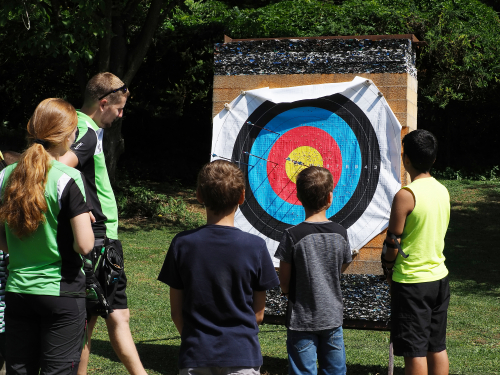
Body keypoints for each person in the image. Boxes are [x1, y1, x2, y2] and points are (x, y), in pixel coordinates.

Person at [59, 72, 148, 375]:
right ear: (104, 102)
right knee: (117, 316)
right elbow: (58, 169)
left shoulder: (72, 125)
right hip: (101, 240)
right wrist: (80, 206)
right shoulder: (85, 130)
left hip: (95, 238)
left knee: (88, 319)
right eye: (119, 108)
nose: (121, 115)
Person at [0, 98, 95, 374]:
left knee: (19, 370)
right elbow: (85, 245)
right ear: (67, 135)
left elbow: (2, 241)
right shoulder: (68, 177)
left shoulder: (6, 175)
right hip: (61, 293)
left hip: (17, 291)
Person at [158, 160, 280, 374]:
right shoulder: (256, 247)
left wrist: (195, 341)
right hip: (242, 355)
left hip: (195, 355)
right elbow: (258, 315)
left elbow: (177, 313)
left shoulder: (182, 243)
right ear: (242, 197)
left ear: (198, 195)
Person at [382, 129, 450, 375]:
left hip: (413, 283)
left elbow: (393, 242)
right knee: (437, 346)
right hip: (439, 278)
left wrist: (388, 268)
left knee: (414, 350)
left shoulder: (406, 195)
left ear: (406, 159)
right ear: (433, 159)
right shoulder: (442, 190)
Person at [275, 166, 352, 375]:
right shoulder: (340, 232)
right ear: (330, 197)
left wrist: (288, 292)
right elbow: (343, 264)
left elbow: (284, 281)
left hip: (301, 319)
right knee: (335, 371)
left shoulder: (292, 235)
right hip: (332, 318)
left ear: (299, 196)